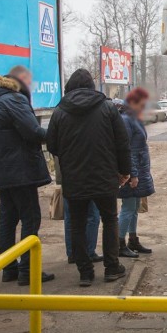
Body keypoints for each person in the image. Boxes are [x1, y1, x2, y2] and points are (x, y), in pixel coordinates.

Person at [47, 69, 132, 286]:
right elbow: (122, 142)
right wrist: (124, 171)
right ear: (91, 87)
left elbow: (52, 145)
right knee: (110, 219)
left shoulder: (60, 111)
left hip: (74, 178)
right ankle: (112, 268)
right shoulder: (107, 108)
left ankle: (85, 272)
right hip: (104, 176)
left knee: (76, 224)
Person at [0, 66, 55, 286]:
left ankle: (9, 269)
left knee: (8, 219)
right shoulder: (14, 99)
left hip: (1, 170)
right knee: (30, 218)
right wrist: (57, 134)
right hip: (21, 170)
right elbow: (33, 132)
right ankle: (28, 270)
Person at [117, 87, 156, 258]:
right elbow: (127, 150)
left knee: (134, 208)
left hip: (138, 171)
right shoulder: (126, 120)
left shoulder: (134, 119)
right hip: (132, 173)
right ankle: (119, 244)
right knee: (128, 208)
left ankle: (132, 239)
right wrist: (132, 174)